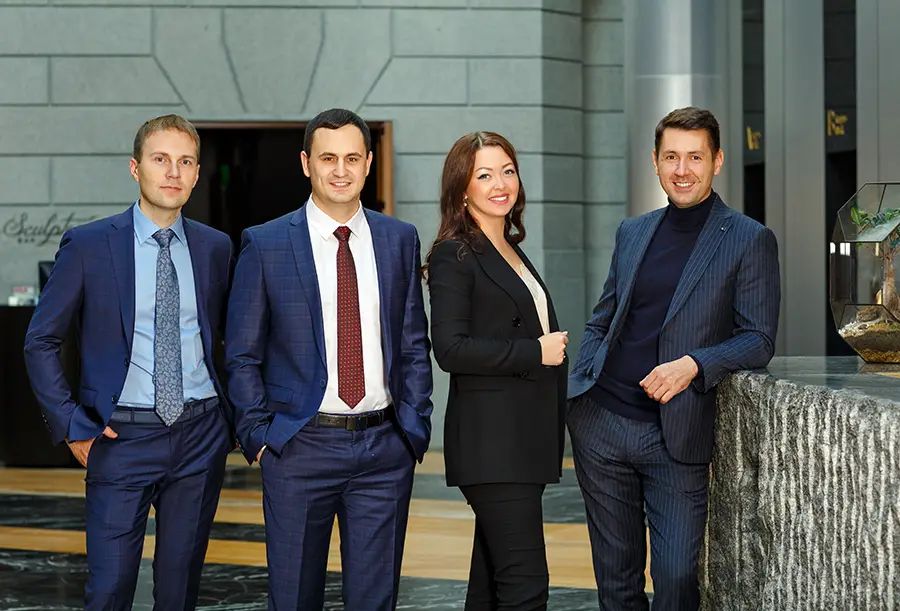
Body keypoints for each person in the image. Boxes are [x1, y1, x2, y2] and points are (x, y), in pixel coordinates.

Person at [566, 106, 781, 610]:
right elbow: (603, 318)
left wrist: (693, 365)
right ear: (655, 162)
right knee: (616, 580)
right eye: (671, 157)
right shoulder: (633, 231)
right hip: (601, 424)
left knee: (678, 575)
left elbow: (758, 338)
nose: (682, 170)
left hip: (675, 433)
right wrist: (582, 382)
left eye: (695, 157)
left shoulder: (749, 239)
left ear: (717, 161)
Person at [24, 114, 234, 610]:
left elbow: (231, 340)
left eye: (185, 162)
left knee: (180, 590)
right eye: (161, 159)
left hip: (200, 436)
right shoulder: (89, 245)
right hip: (120, 437)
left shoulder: (216, 247)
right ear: (135, 167)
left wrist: (234, 421)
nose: (173, 172)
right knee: (110, 588)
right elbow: (41, 341)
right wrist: (72, 423)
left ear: (197, 173)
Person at [225, 108, 433, 611]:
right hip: (299, 447)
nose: (341, 170)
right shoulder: (266, 243)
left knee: (375, 600)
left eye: (352, 158)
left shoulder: (398, 239)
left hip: (384, 449)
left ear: (368, 163)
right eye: (328, 158)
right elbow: (241, 353)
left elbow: (413, 343)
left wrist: (413, 427)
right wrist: (260, 437)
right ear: (306, 163)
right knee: (294, 598)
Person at [426, 131, 569, 610]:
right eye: (484, 175)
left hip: (522, 440)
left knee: (489, 585)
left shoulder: (507, 246)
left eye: (507, 171)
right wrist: (535, 352)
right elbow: (450, 349)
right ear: (462, 189)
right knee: (525, 585)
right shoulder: (455, 253)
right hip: (493, 446)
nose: (500, 184)